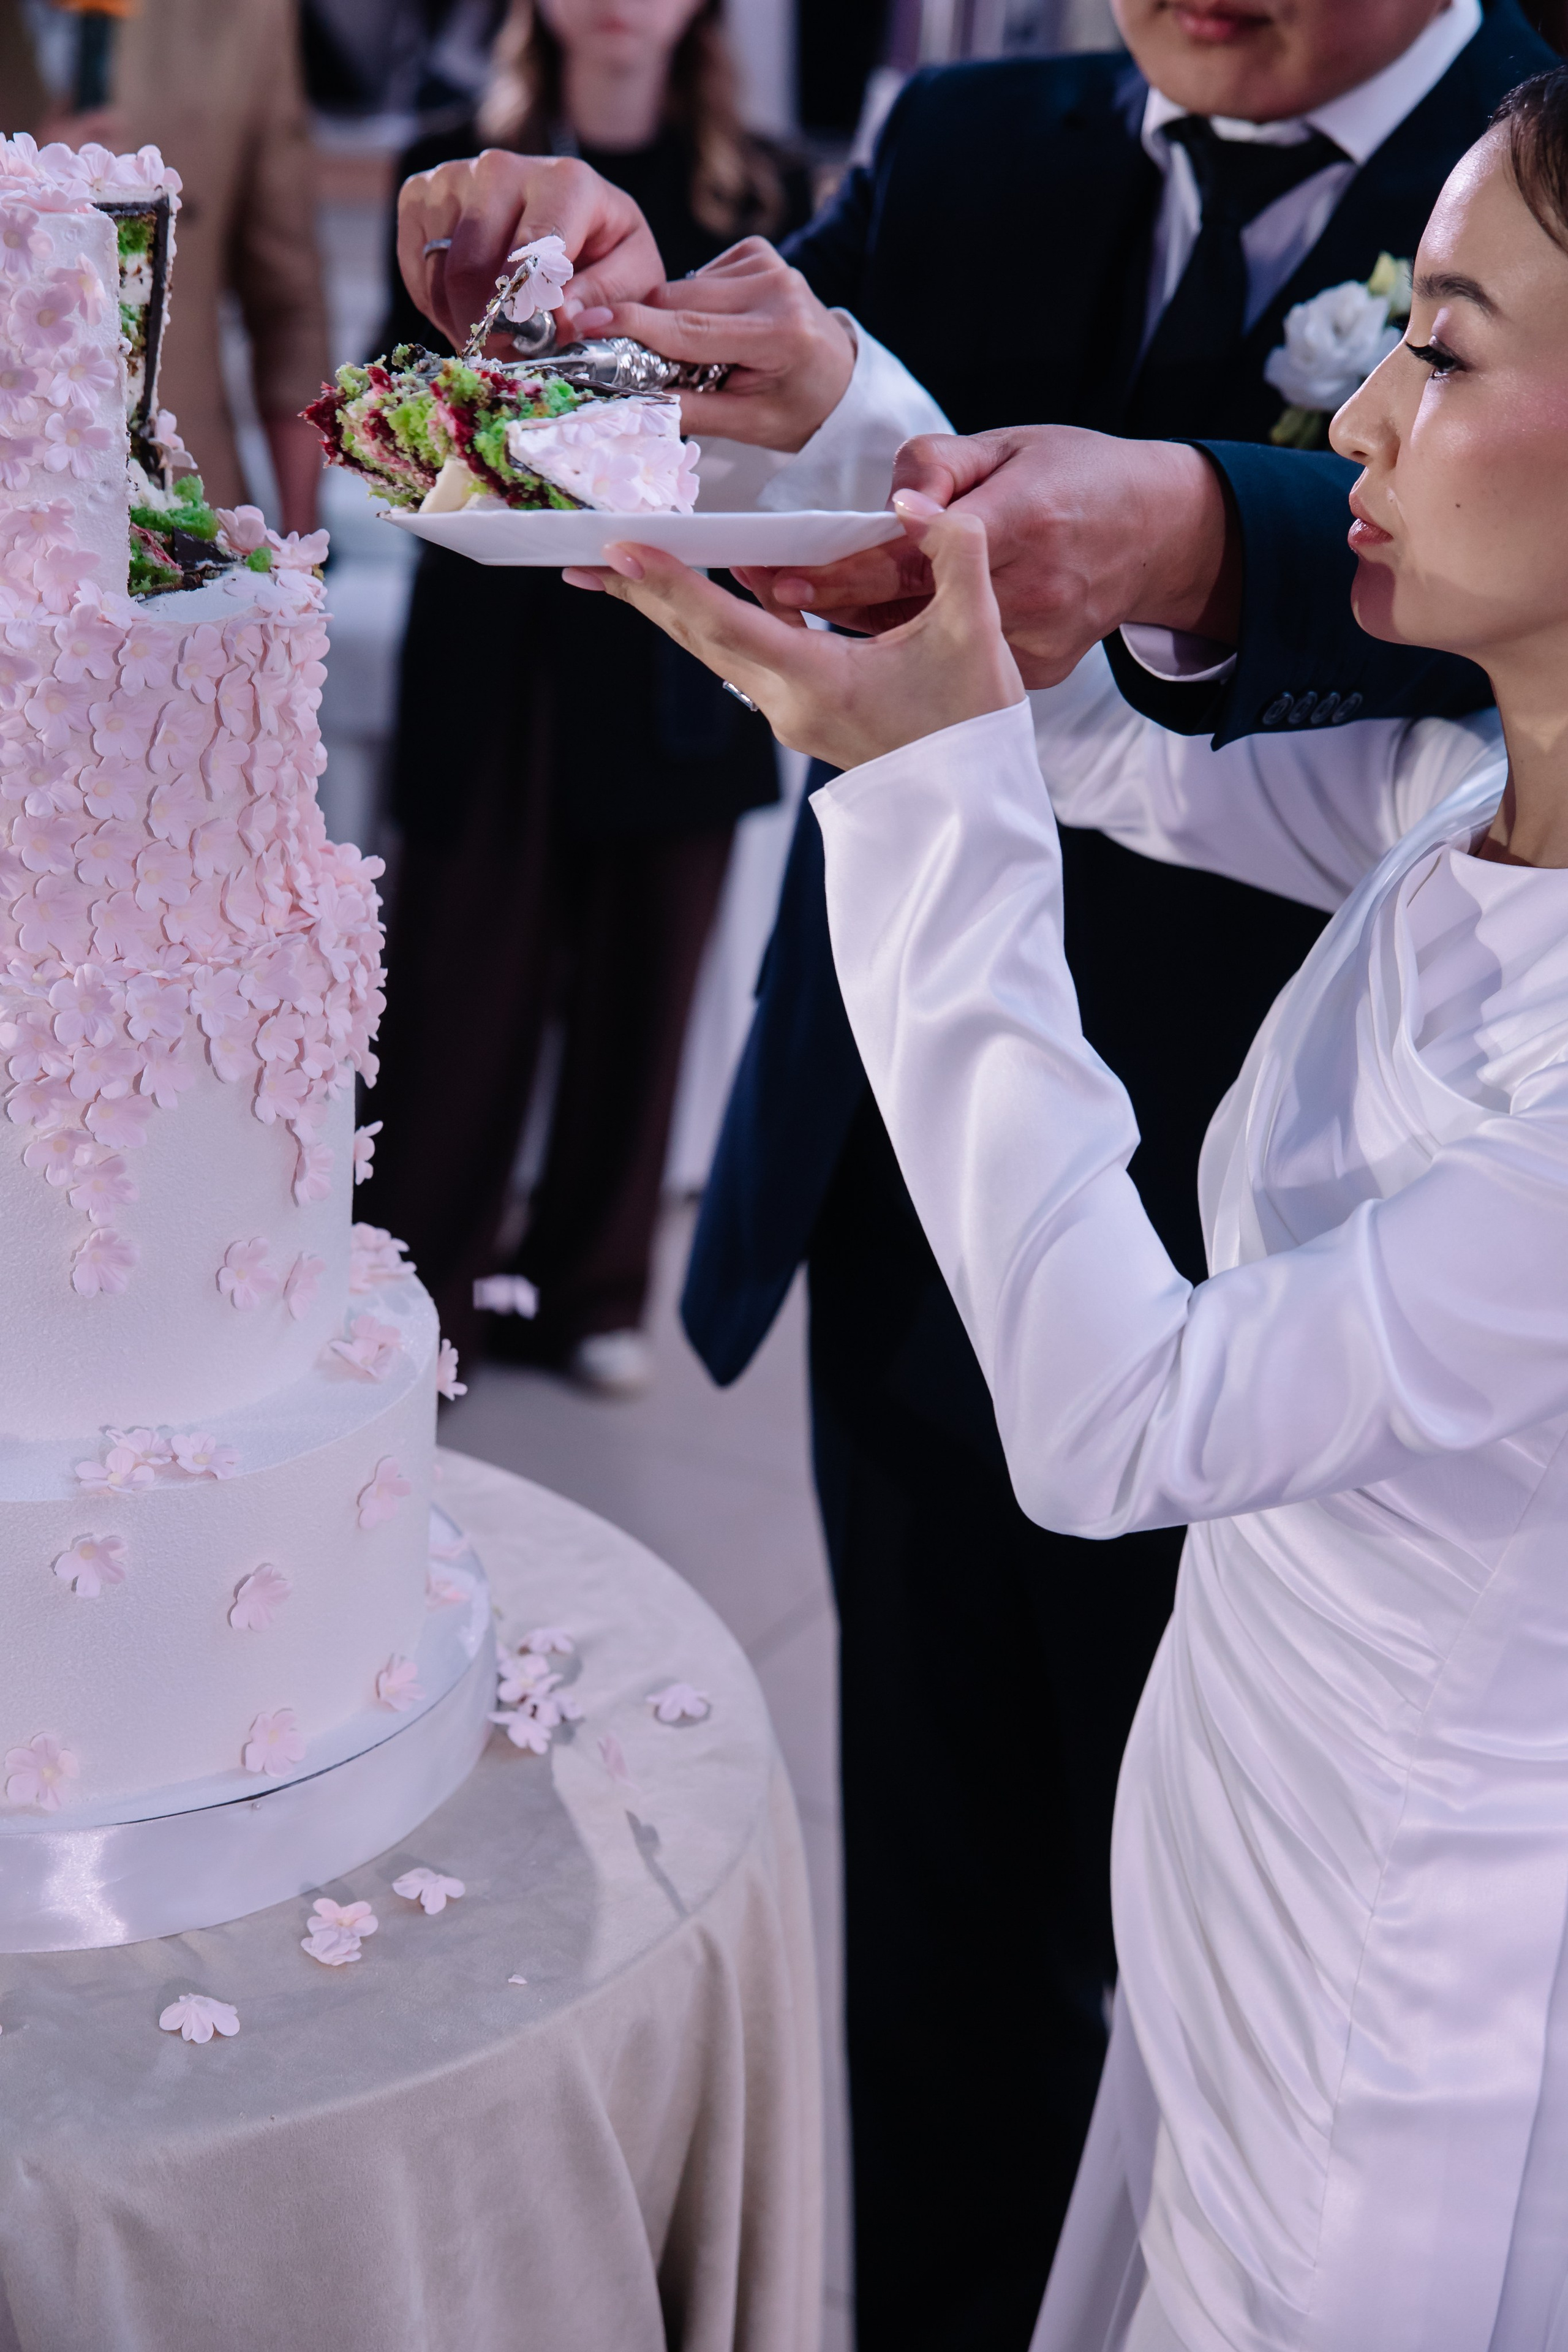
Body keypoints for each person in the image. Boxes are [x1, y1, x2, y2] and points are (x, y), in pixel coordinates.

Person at [393, 0, 1553, 2338]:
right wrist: (839, 440)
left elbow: (1127, 1420)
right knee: (961, 2028)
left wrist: (919, 786)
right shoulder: (1454, 799)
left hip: (1402, 1973)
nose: (1354, 422)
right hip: (1247, 1823)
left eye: (1434, 353)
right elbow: (1123, 746)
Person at [358, 0, 811, 1395]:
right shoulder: (452, 173)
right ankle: (413, 1292)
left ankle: (592, 1289)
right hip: (494, 638)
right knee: (454, 989)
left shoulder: (762, 194)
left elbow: (783, 443)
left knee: (643, 988)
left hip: (672, 640)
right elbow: (389, 399)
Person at [5, 0, 329, 530]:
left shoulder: (243, 17)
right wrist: (22, 194)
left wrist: (303, 537)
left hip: (184, 498)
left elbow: (289, 307)